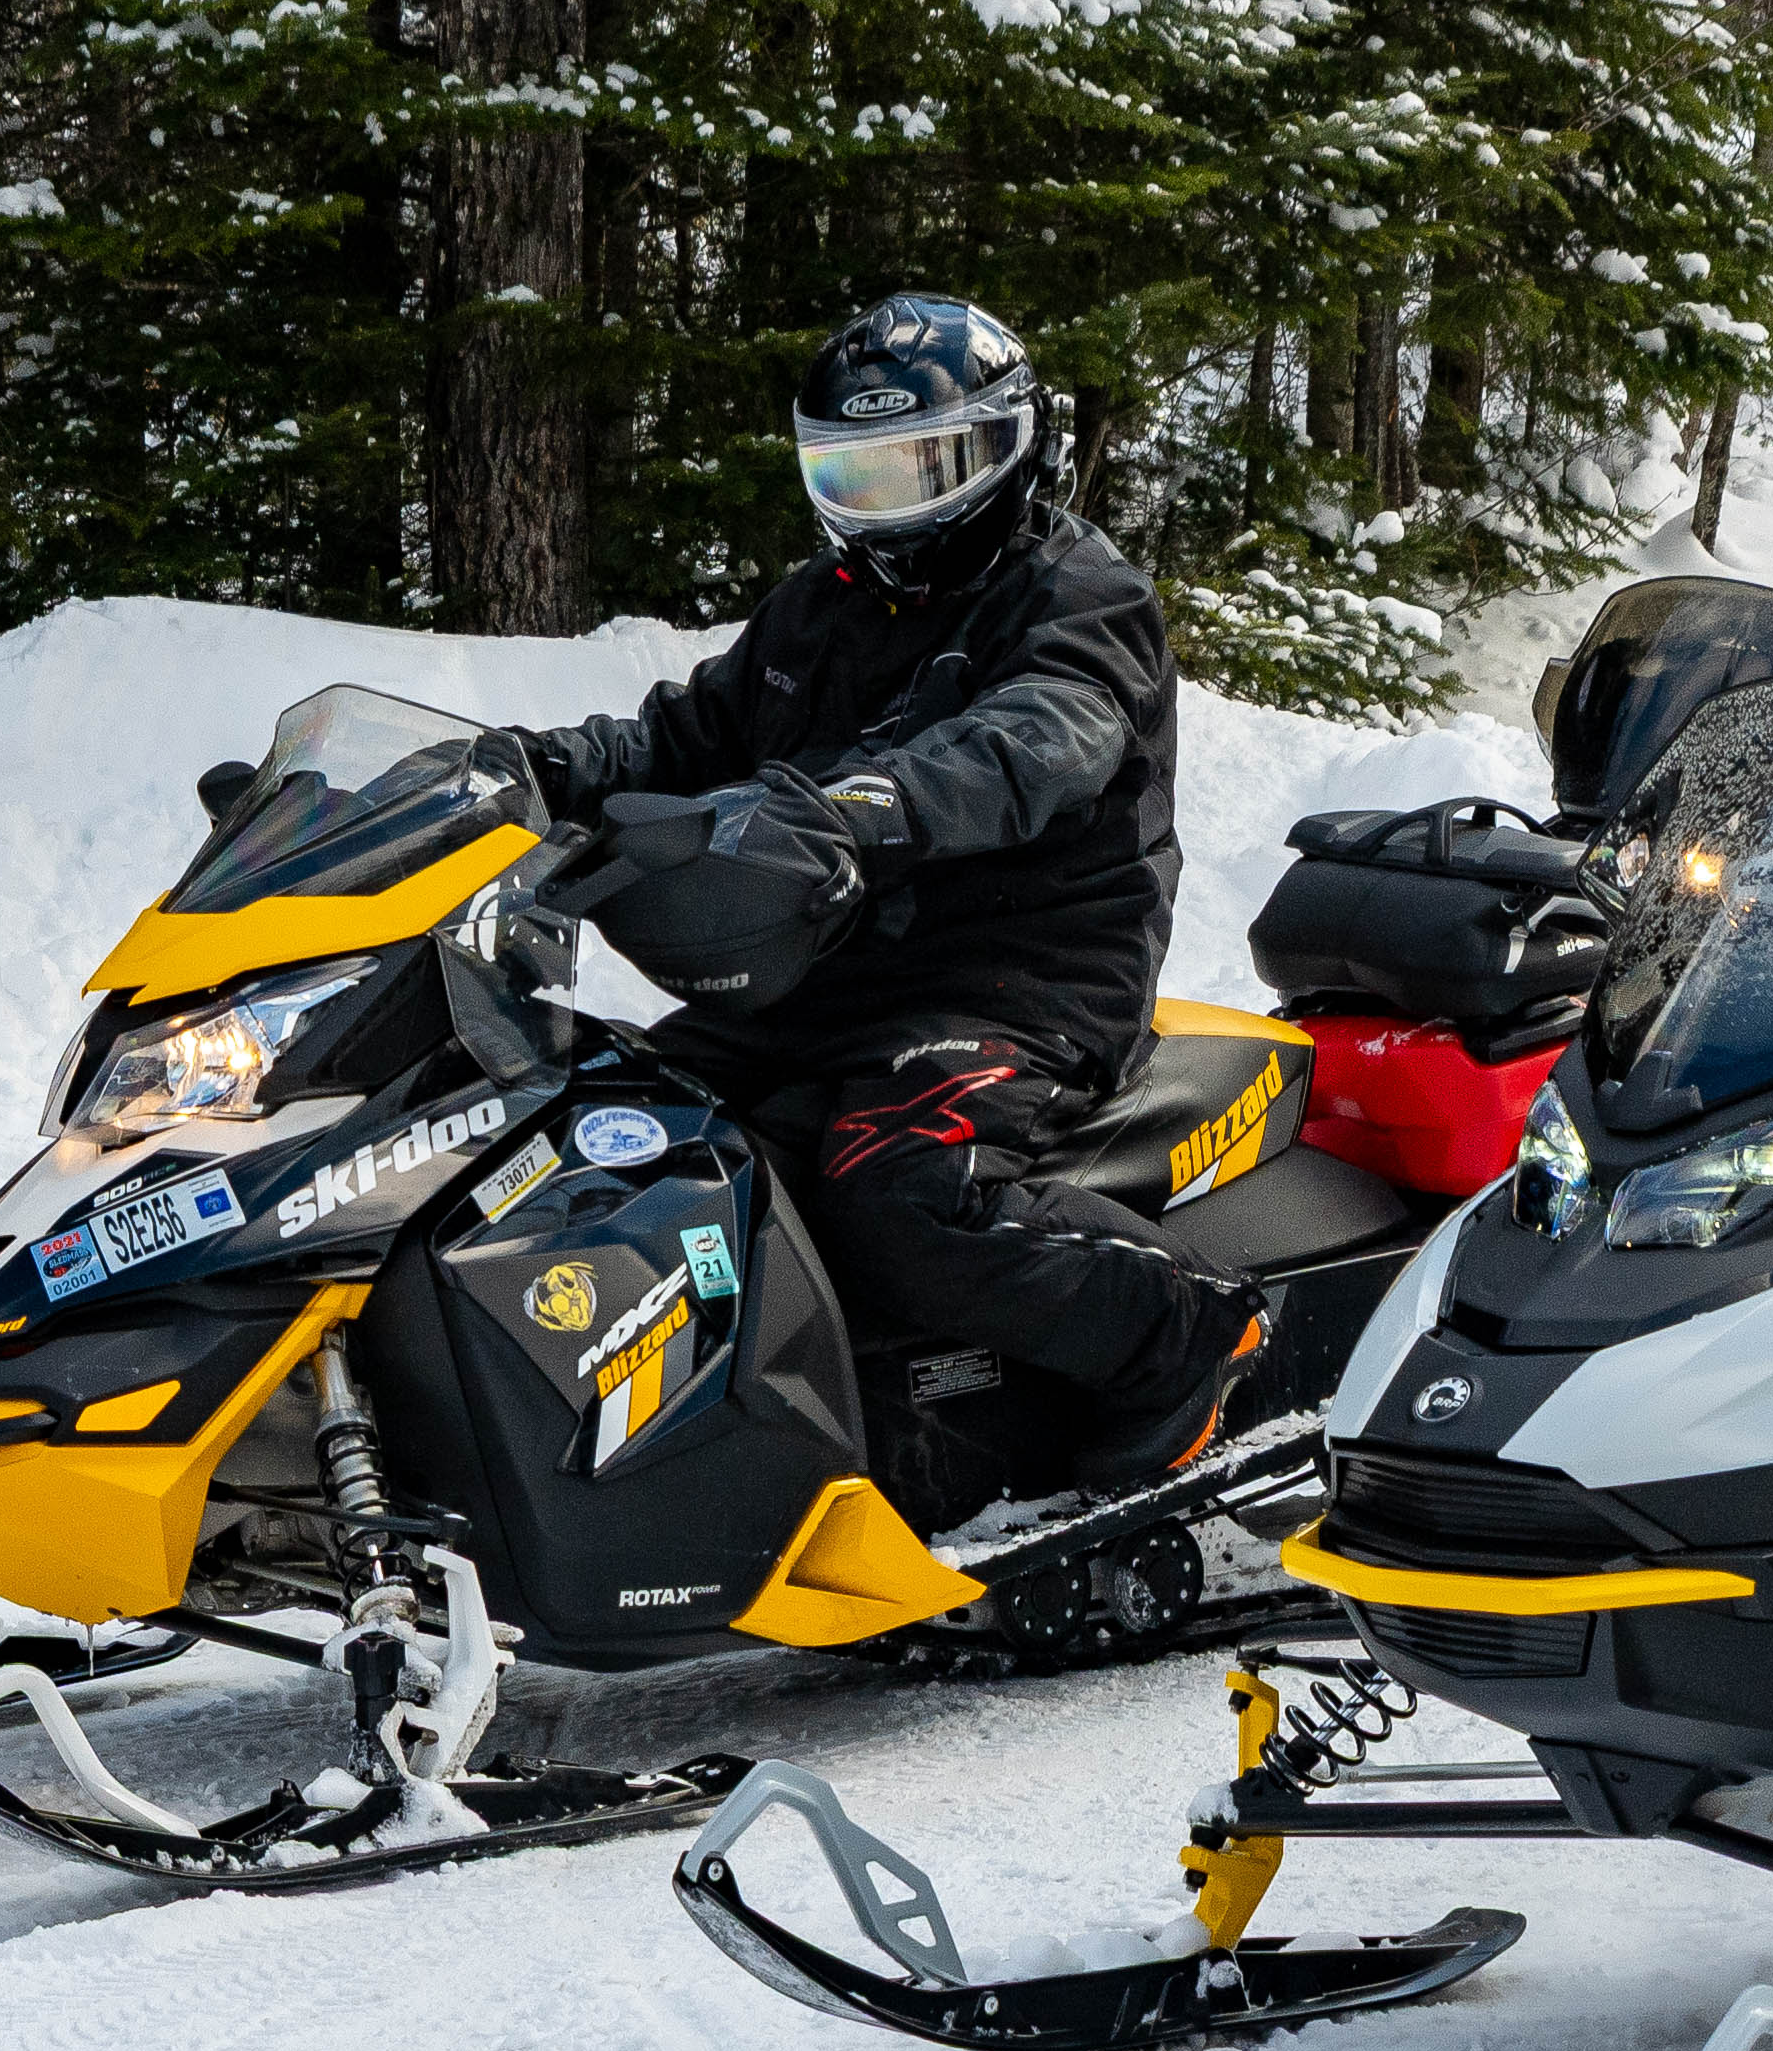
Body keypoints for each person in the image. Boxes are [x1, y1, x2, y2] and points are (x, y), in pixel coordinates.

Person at [523, 295, 1267, 1518]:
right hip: (825, 977)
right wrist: (536, 768)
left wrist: (864, 808)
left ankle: (1188, 1334)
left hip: (1014, 979)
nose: (890, 502)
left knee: (899, 1181)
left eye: (923, 466)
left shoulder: (1081, 596)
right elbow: (683, 733)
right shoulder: (817, 606)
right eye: (855, 472)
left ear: (1010, 448)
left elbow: (1034, 743)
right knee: (613, 1139)